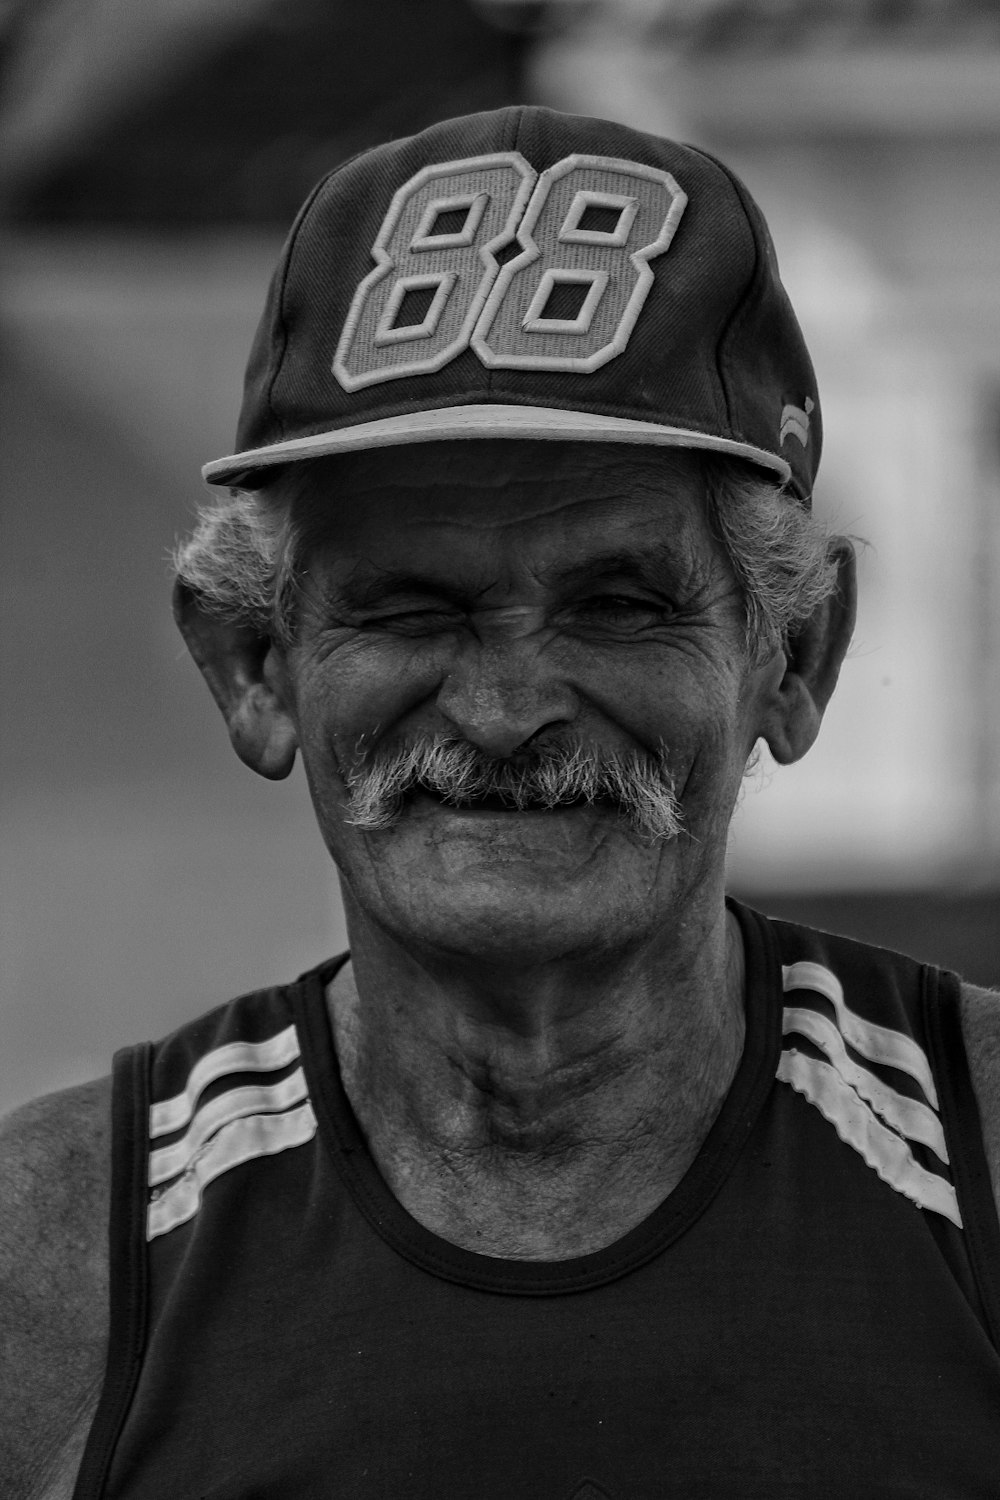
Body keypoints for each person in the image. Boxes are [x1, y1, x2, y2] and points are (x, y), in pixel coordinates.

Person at [2, 105, 999, 1500]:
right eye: (412, 607)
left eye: (616, 603)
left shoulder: (979, 1165)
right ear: (252, 666)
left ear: (795, 656)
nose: (504, 707)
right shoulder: (49, 1275)